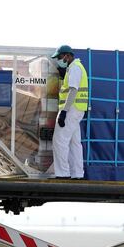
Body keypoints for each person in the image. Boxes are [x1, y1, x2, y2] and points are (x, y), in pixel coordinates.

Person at [50, 45, 88, 179]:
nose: (59, 60)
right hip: (77, 109)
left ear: (67, 55)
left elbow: (73, 90)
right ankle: (77, 174)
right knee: (74, 143)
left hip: (71, 109)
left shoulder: (75, 68)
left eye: (60, 57)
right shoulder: (74, 68)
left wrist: (64, 111)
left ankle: (62, 174)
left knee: (59, 140)